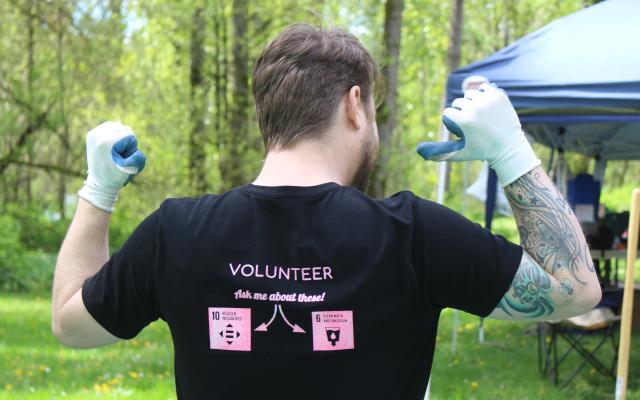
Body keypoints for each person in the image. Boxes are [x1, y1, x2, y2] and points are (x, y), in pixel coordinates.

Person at [51, 24, 601, 399]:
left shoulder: (175, 233)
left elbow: (71, 324)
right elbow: (575, 290)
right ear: (354, 104)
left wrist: (99, 190)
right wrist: (512, 152)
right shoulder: (413, 235)